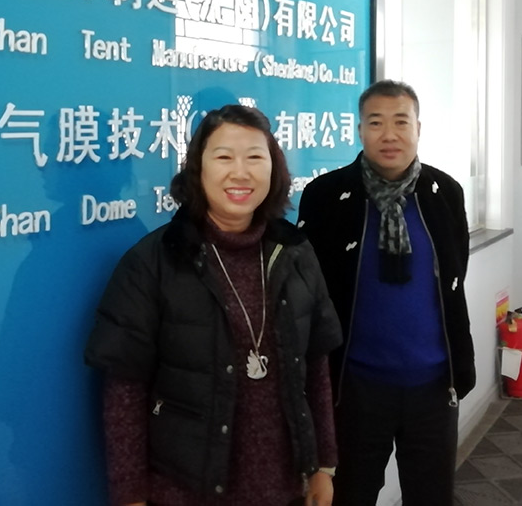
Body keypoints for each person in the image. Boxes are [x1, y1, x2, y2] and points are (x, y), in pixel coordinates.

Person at [85, 104, 343, 506]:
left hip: (286, 488)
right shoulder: (153, 262)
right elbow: (124, 391)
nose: (240, 172)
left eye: (254, 157)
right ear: (198, 169)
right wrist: (130, 495)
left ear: (273, 168)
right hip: (186, 491)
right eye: (223, 157)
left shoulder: (295, 252)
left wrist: (323, 464)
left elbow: (317, 368)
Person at [297, 80, 475, 506]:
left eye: (401, 122)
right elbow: (310, 294)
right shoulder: (325, 197)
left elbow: (455, 276)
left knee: (431, 497)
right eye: (376, 123)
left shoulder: (445, 193)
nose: (389, 134)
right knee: (350, 496)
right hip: (354, 388)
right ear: (360, 130)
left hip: (434, 387)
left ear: (419, 128)